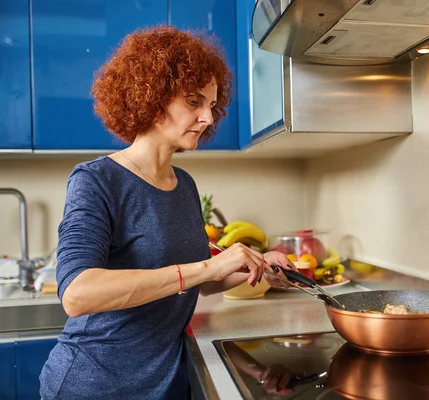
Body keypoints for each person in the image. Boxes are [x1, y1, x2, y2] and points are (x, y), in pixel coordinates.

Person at [39, 25, 295, 400]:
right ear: (152, 97)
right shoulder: (97, 180)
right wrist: (208, 267)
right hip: (94, 386)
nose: (208, 118)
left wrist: (253, 264)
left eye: (211, 104)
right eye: (194, 101)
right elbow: (78, 294)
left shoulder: (184, 184)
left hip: (166, 385)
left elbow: (199, 280)